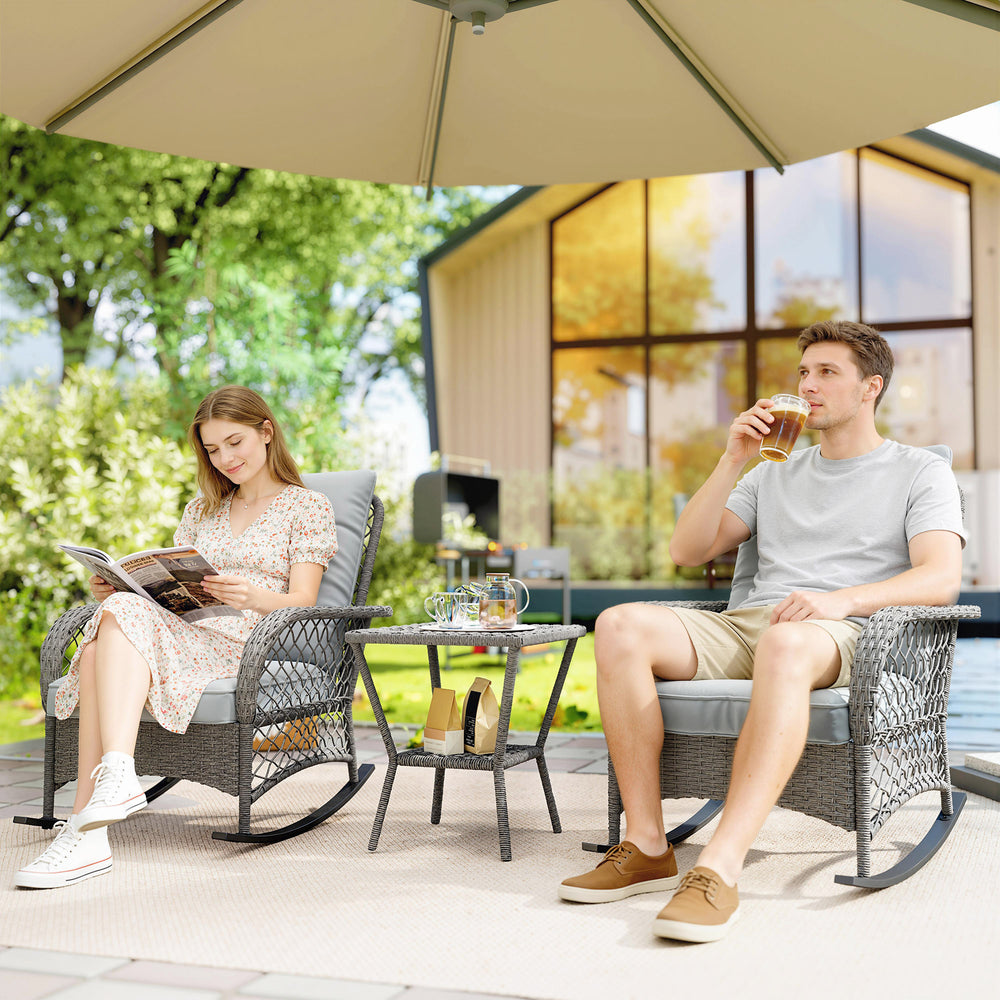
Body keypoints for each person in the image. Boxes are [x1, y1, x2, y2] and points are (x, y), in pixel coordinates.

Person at [558, 320, 966, 942]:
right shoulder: (773, 471)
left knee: (788, 640)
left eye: (827, 372)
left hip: (847, 632)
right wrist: (732, 459)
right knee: (618, 625)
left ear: (870, 388)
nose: (808, 386)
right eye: (804, 372)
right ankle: (645, 843)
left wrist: (840, 602)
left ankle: (720, 867)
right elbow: (687, 549)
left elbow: (940, 578)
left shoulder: (917, 471)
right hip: (754, 624)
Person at [15, 386, 338, 889]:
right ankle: (98, 812)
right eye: (212, 450)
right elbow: (176, 594)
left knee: (105, 639)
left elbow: (305, 603)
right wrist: (118, 587)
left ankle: (87, 816)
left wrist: (251, 595)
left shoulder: (307, 506)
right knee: (111, 621)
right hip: (186, 632)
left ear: (266, 432)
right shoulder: (201, 510)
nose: (225, 459)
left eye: (235, 443)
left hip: (249, 643)